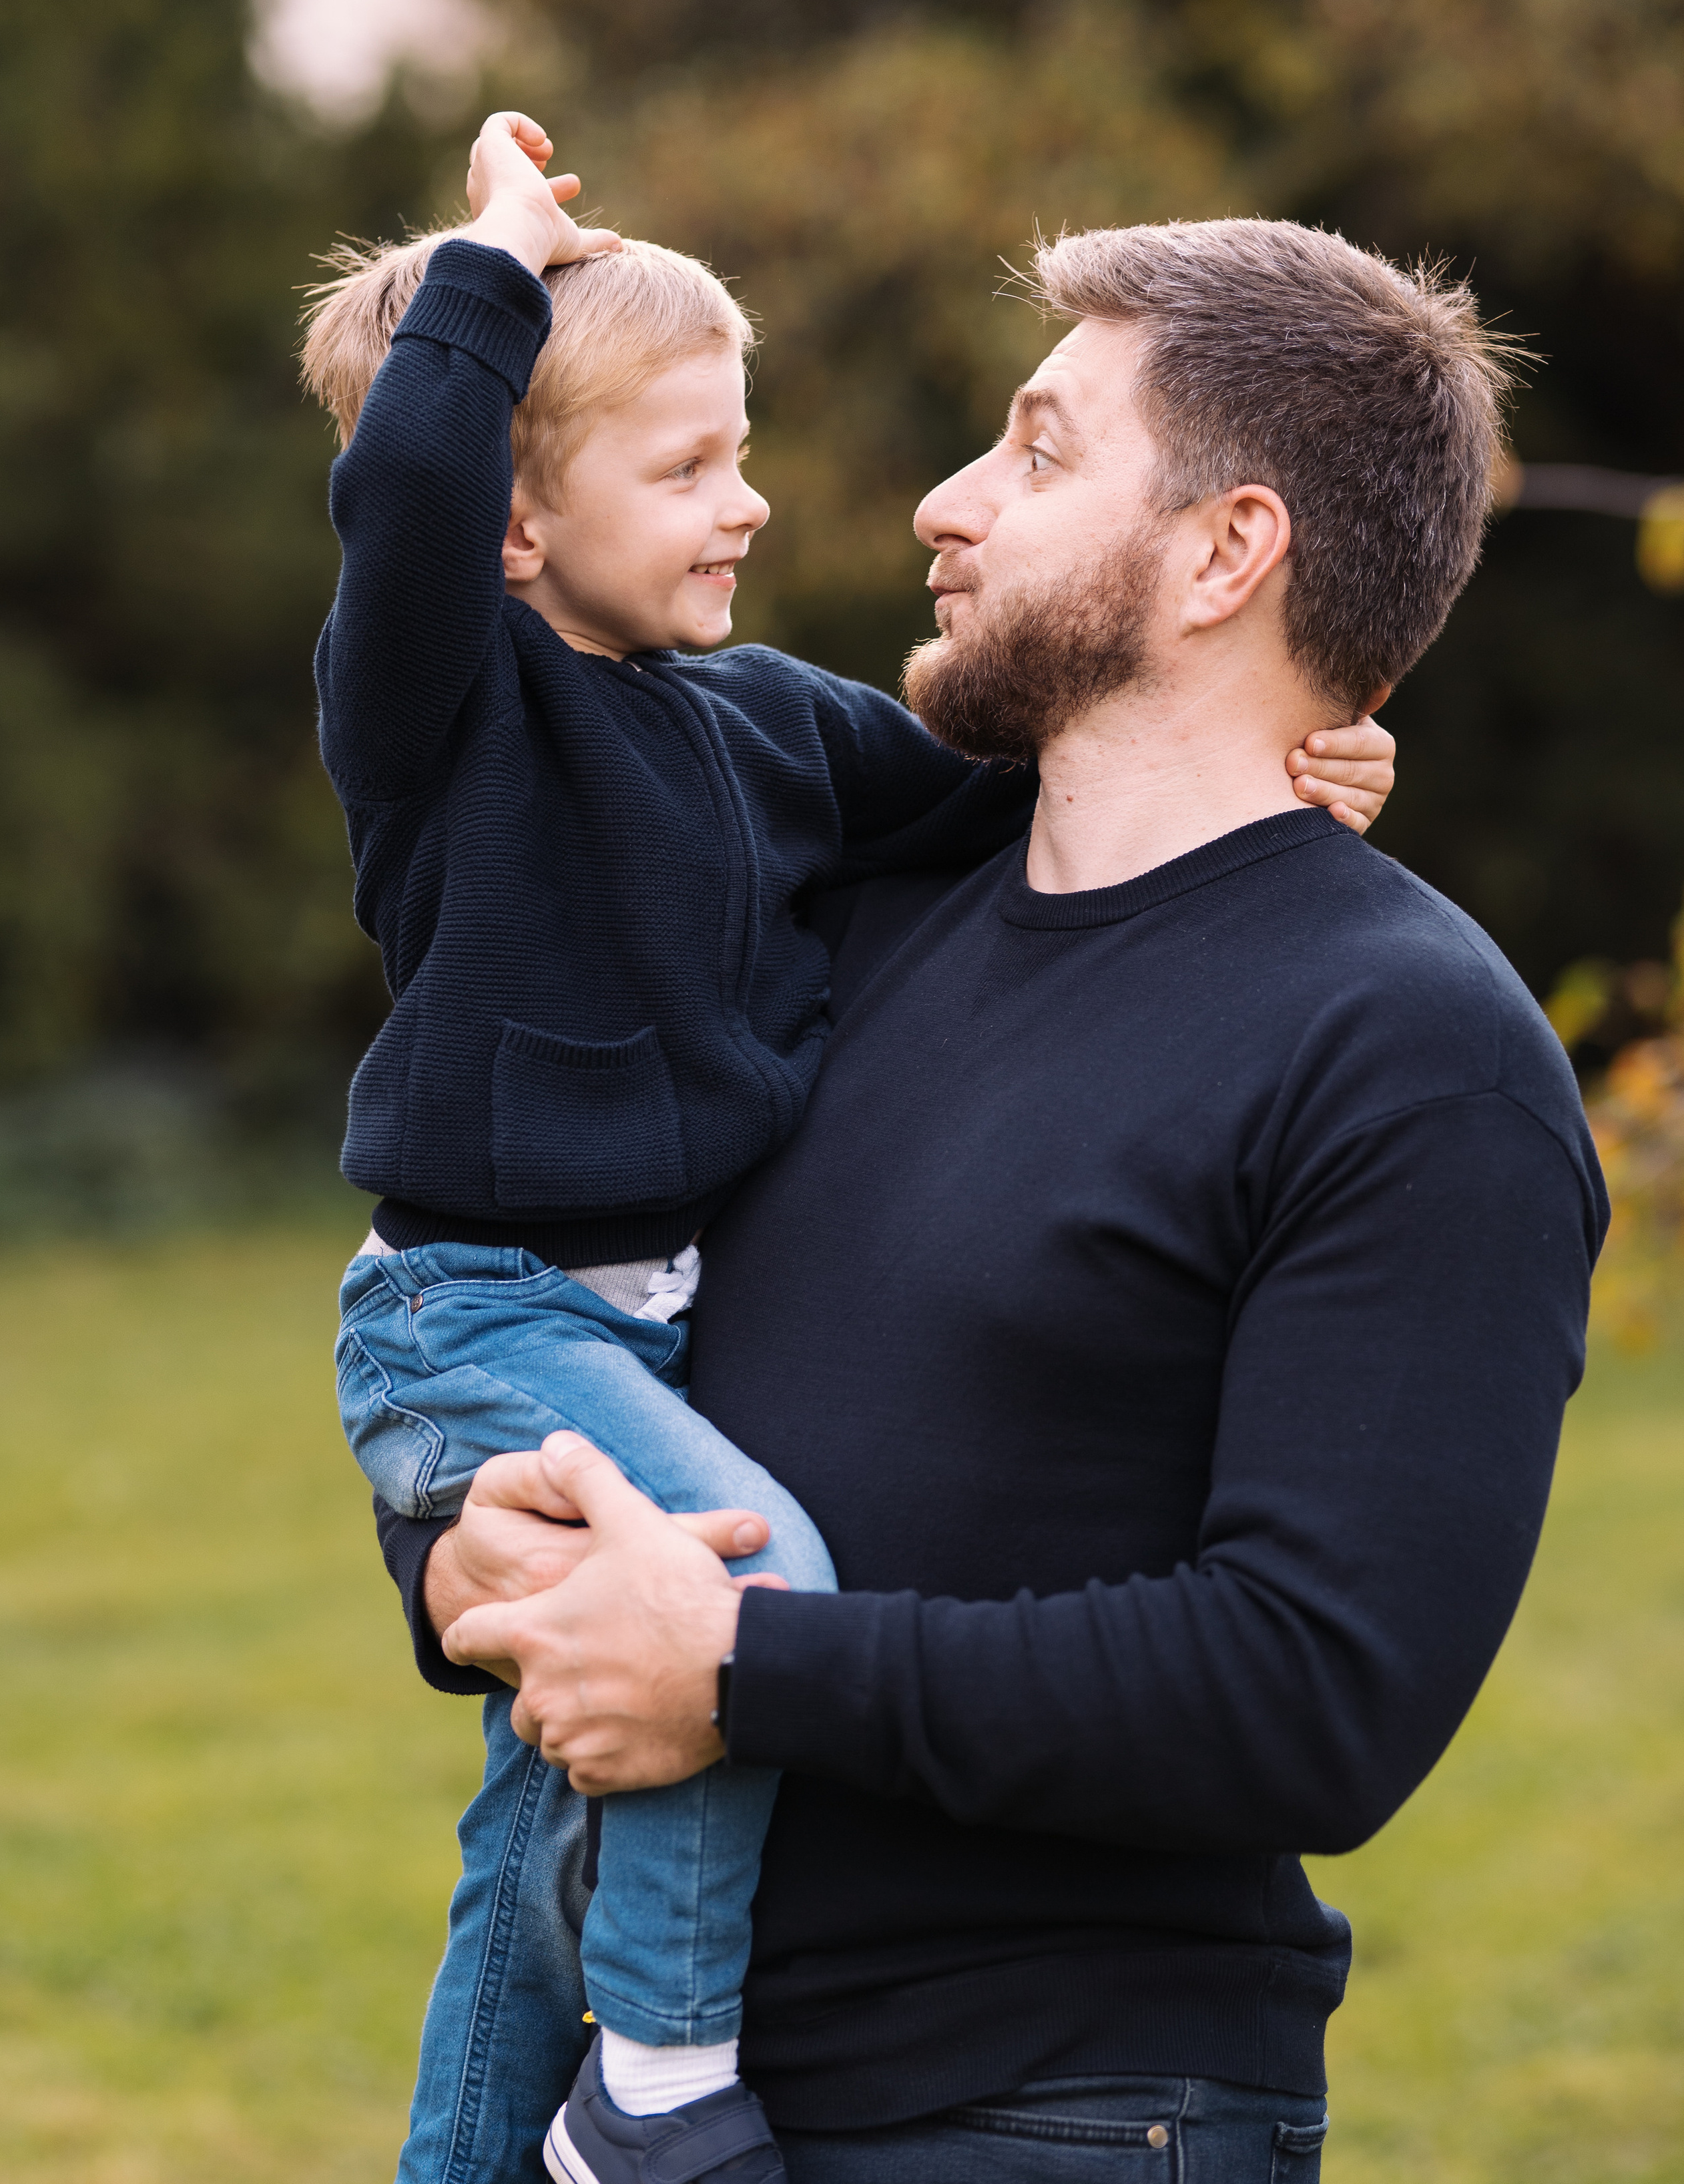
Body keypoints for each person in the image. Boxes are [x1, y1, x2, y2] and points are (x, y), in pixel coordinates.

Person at [417, 217, 1607, 2183]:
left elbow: (1314, 1691)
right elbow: (573, 1319)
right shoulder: (827, 934)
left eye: (1040, 451)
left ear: (1229, 552)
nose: (941, 502)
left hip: (1055, 2119)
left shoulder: (1412, 1053)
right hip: (618, 2078)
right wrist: (464, 1573)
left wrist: (740, 1669)